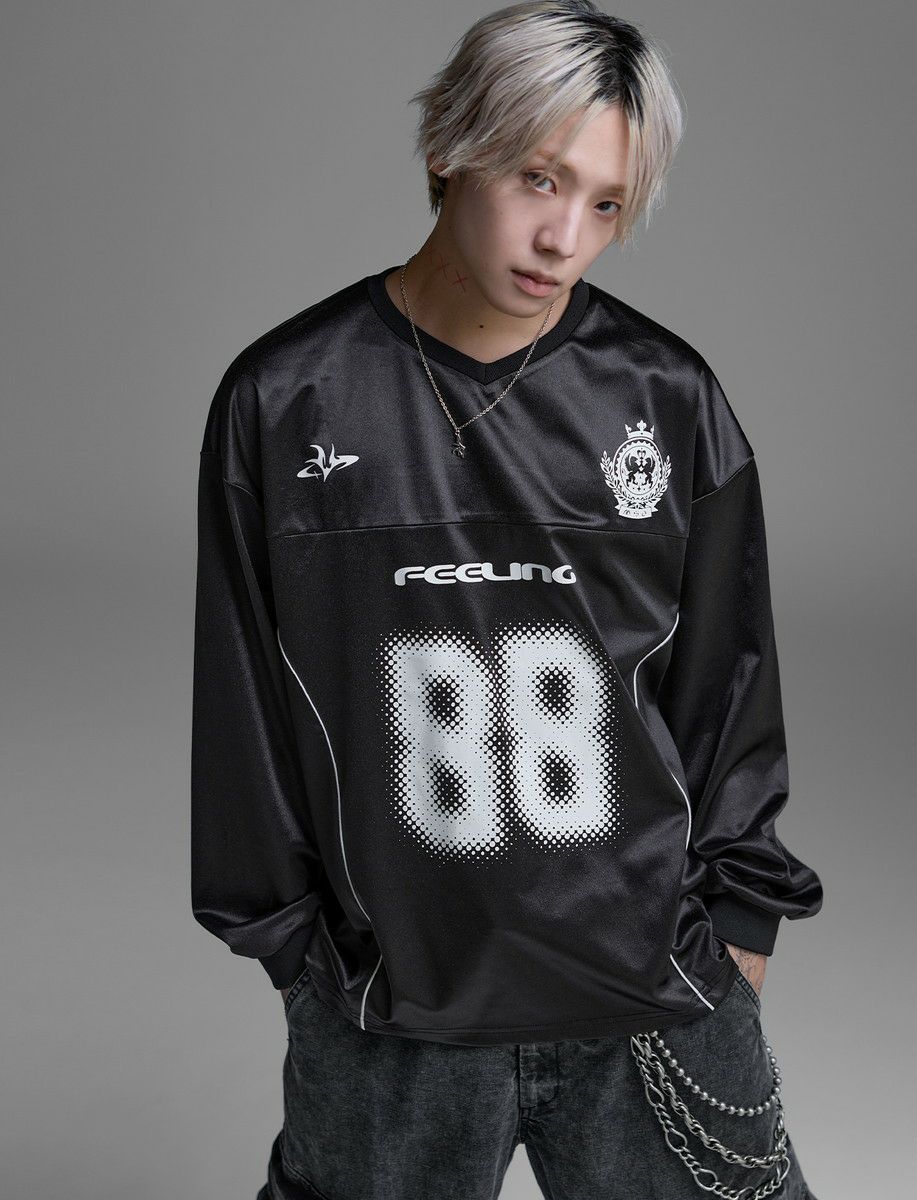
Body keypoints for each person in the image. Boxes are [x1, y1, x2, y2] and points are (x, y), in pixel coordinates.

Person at [190, 3, 824, 1196]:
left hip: (647, 992)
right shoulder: (285, 401)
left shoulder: (667, 398)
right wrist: (296, 953)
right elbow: (242, 711)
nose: (564, 237)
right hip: (396, 1008)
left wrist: (740, 925)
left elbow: (728, 689)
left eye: (606, 204)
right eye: (539, 178)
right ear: (449, 144)